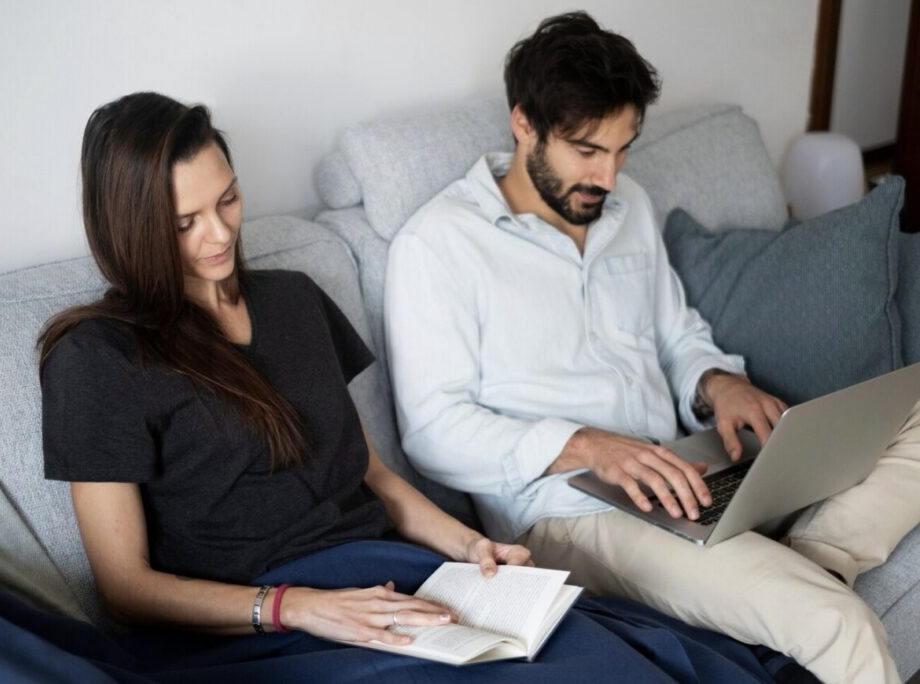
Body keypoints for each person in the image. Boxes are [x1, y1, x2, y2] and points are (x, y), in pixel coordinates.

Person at [34, 91, 801, 682]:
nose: (221, 234)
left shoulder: (293, 300)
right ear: (129, 228)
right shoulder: (98, 359)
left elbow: (368, 472)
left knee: (641, 658)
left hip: (390, 578)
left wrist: (473, 545)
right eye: (184, 222)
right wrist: (297, 609)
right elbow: (126, 588)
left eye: (228, 199)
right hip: (265, 625)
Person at [384, 11, 920, 684]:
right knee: (840, 627)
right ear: (524, 123)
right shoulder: (438, 247)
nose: (608, 178)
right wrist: (589, 446)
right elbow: (432, 433)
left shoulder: (626, 205)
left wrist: (719, 385)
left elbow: (675, 334)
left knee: (914, 413)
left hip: (685, 474)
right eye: (587, 150)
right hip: (571, 516)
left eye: (623, 149)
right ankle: (792, 585)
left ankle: (800, 563)